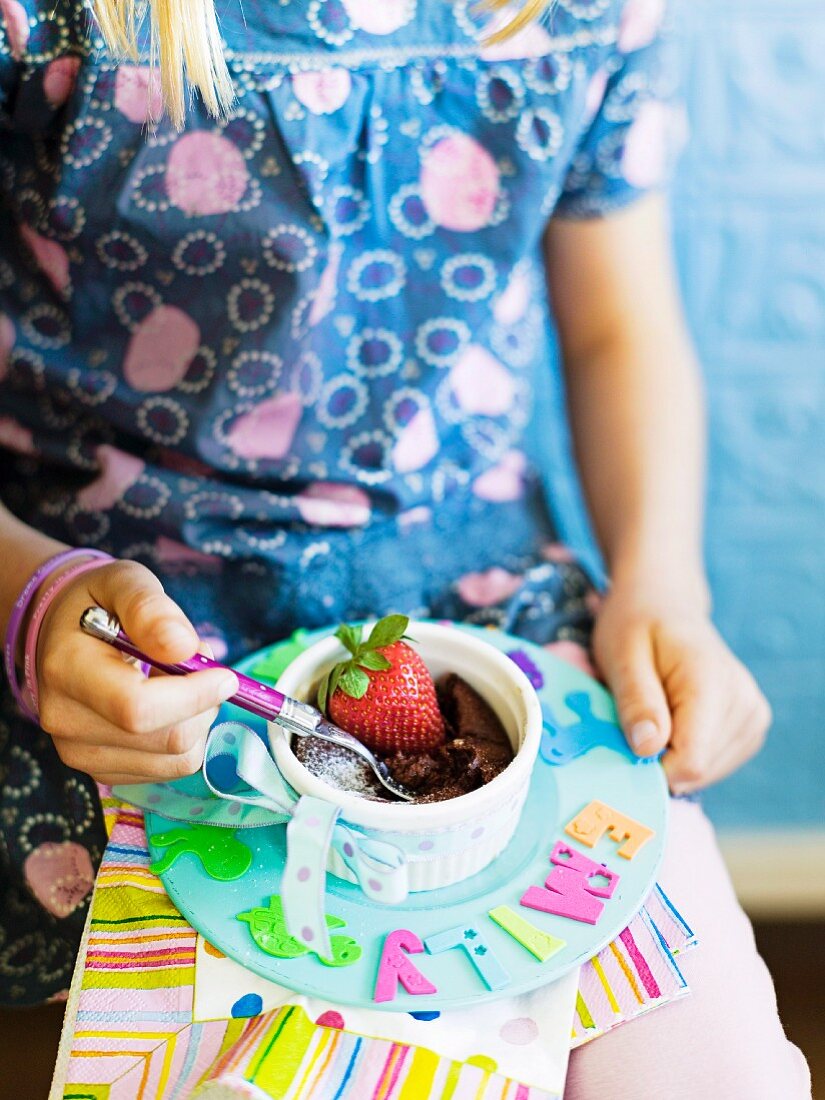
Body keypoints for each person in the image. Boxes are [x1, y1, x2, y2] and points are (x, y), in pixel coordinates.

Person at [0, 0, 811, 1095]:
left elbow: (620, 328)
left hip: (486, 605)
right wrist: (34, 596)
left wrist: (662, 582)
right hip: (132, 647)